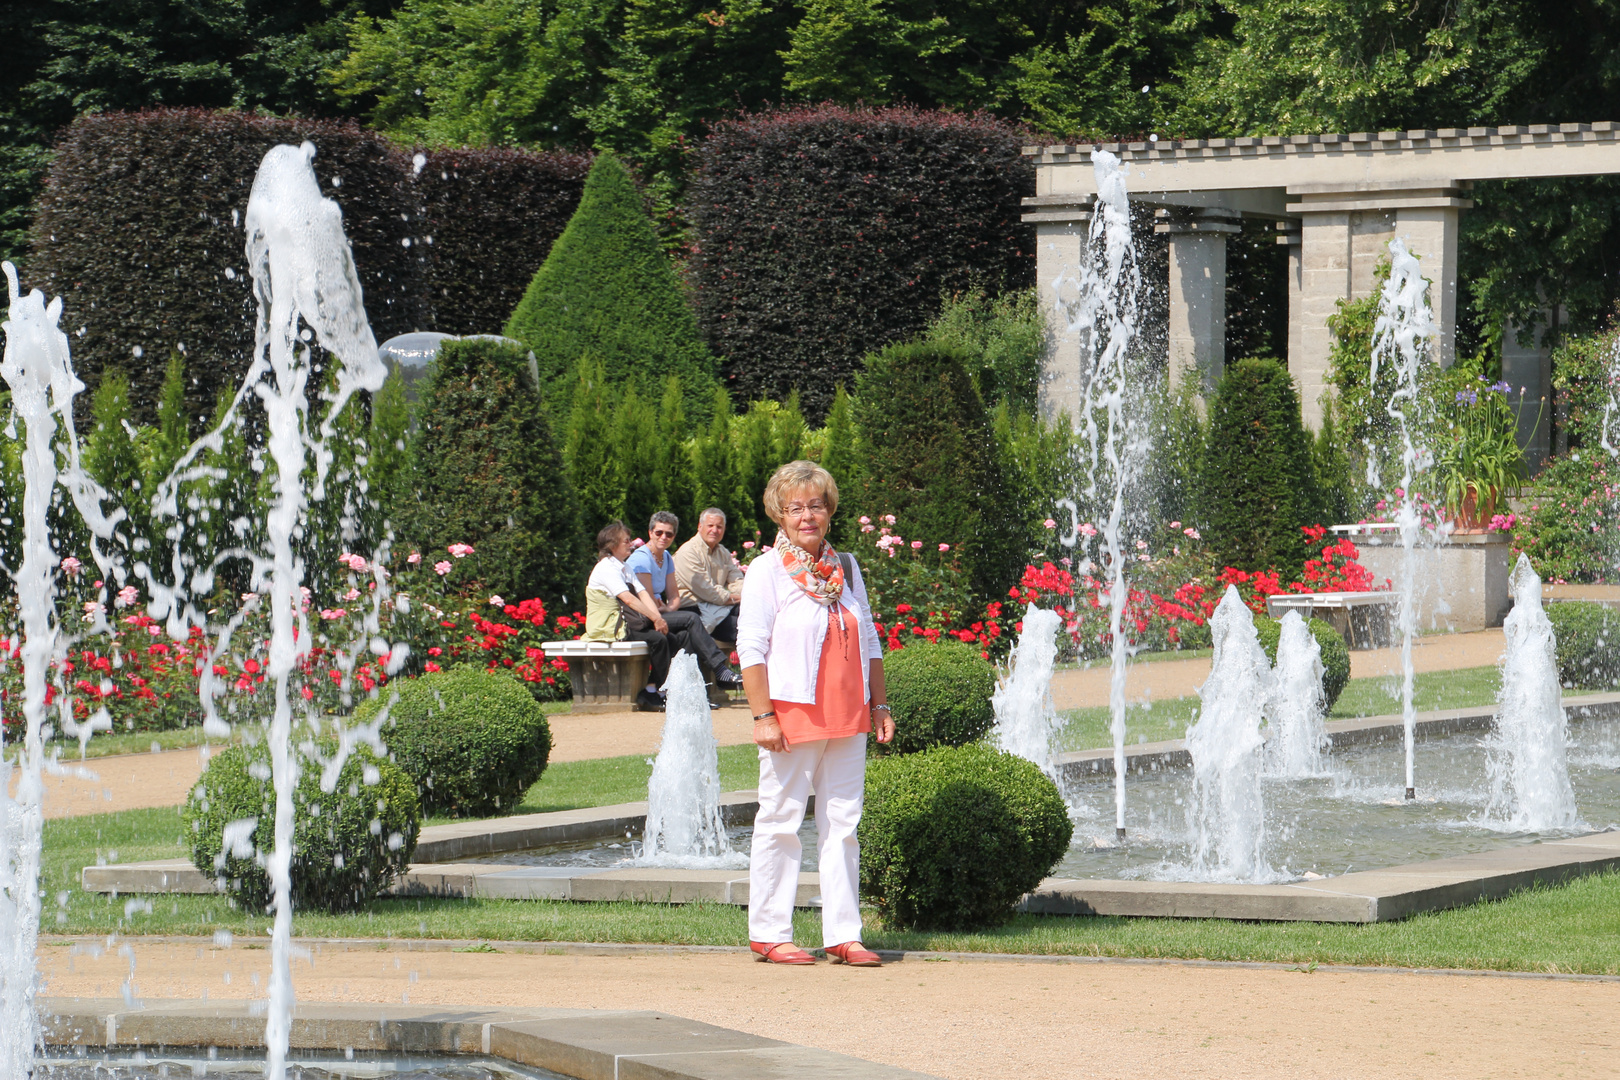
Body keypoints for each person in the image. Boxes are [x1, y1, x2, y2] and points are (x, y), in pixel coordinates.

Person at [737, 460, 895, 967]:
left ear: (829, 510)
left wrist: (880, 704)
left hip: (849, 714)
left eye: (816, 505)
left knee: (843, 825)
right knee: (781, 819)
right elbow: (751, 647)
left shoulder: (846, 567)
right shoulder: (765, 570)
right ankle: (768, 931)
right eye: (796, 507)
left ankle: (844, 935)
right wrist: (763, 715)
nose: (808, 515)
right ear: (779, 516)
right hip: (793, 714)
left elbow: (869, 638)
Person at [626, 511, 743, 689]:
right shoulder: (642, 558)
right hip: (643, 616)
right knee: (691, 620)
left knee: (688, 634)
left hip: (664, 612)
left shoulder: (665, 557)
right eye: (659, 533)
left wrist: (667, 610)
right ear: (650, 533)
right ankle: (720, 671)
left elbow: (674, 597)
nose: (664, 537)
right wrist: (659, 616)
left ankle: (694, 692)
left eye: (669, 534)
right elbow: (645, 597)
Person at [583, 520, 672, 711]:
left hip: (624, 623)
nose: (630, 543)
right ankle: (655, 691)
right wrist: (656, 619)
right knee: (658, 640)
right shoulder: (606, 567)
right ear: (612, 545)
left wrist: (659, 619)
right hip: (609, 628)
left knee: (672, 635)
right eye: (626, 540)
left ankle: (658, 690)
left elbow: (642, 593)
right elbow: (628, 599)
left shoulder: (623, 566)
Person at [674, 506, 744, 642]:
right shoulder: (688, 552)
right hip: (693, 610)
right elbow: (708, 590)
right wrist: (739, 598)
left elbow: (736, 579)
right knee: (745, 629)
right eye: (710, 525)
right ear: (700, 527)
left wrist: (750, 594)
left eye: (719, 527)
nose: (715, 530)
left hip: (716, 606)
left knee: (757, 615)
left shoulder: (722, 552)